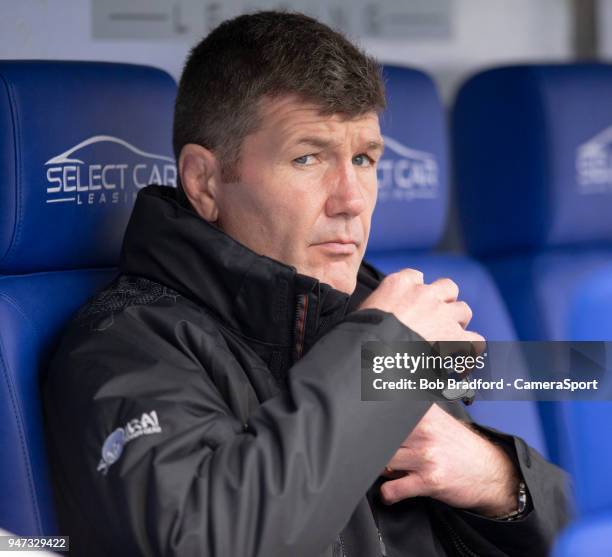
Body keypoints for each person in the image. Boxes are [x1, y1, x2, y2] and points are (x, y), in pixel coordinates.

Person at [43, 11, 569, 557]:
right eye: (308, 157)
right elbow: (211, 542)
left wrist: (500, 481)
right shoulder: (125, 347)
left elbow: (578, 533)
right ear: (204, 182)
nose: (352, 200)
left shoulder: (368, 307)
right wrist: (376, 350)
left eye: (364, 159)